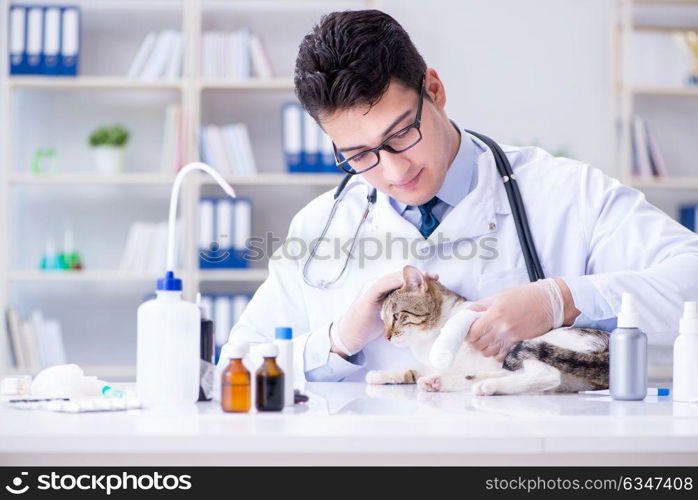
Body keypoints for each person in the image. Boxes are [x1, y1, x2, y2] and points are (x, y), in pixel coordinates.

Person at [217, 10, 698, 382]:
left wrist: (563, 299)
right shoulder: (321, 226)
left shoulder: (566, 192)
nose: (393, 169)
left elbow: (689, 276)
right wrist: (339, 341)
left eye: (402, 133)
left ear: (434, 88)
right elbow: (232, 368)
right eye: (359, 154)